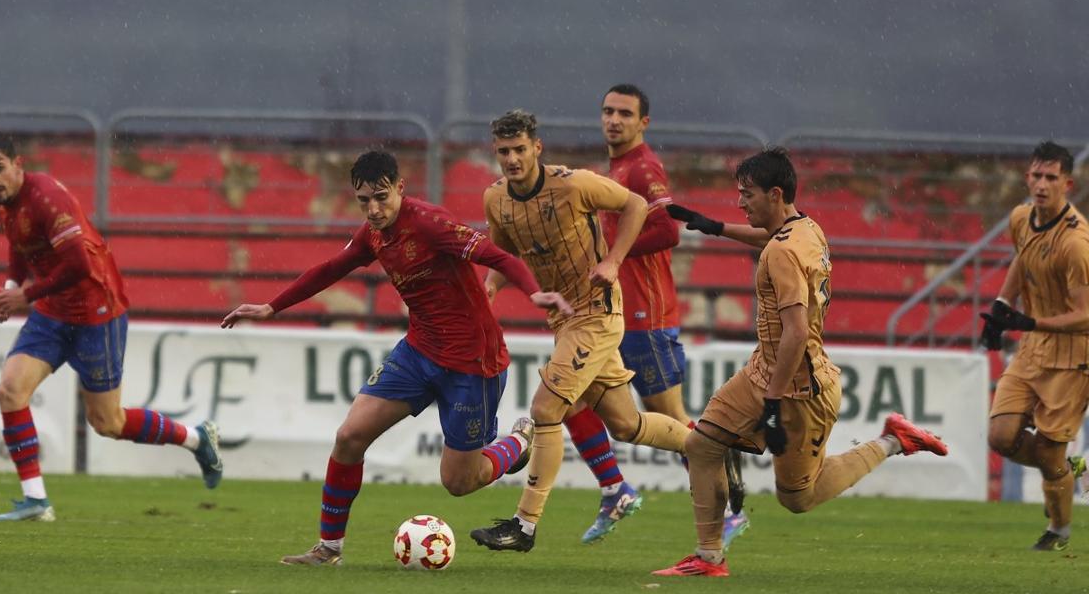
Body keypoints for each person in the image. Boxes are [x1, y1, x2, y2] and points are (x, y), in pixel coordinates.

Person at [221, 150, 573, 567]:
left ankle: (515, 444)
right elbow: (332, 268)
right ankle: (328, 548)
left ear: (400, 188)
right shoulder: (373, 233)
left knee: (459, 482)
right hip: (419, 351)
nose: (373, 209)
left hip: (471, 361)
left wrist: (533, 292)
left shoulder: (430, 223)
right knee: (349, 437)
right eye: (363, 200)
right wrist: (271, 307)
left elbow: (499, 257)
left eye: (381, 197)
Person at [653, 147, 947, 577]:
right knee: (701, 446)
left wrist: (772, 404)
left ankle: (893, 440)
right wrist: (716, 228)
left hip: (799, 387)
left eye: (747, 194)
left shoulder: (782, 254)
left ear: (774, 194)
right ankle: (709, 556)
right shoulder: (805, 228)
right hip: (764, 370)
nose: (740, 202)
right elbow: (771, 239)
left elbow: (795, 331)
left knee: (797, 498)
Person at [470, 109, 698, 553]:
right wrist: (492, 284)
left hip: (597, 313)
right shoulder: (495, 198)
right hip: (563, 319)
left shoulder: (574, 184)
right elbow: (504, 248)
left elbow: (636, 204)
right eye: (503, 152)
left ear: (537, 148)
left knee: (545, 408)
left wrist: (613, 260)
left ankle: (525, 525)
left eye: (520, 149)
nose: (512, 159)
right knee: (625, 423)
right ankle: (706, 445)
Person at [0, 133, 222, 522]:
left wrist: (27, 296)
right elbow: (18, 242)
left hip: (96, 311)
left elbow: (80, 267)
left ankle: (195, 438)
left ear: (19, 164)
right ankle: (37, 501)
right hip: (53, 313)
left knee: (108, 423)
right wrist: (9, 287)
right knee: (10, 390)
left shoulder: (46, 199)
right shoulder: (4, 199)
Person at [556, 84, 748, 546]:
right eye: (607, 111)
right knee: (566, 396)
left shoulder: (643, 168)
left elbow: (666, 231)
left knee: (671, 419)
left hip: (646, 314)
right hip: (614, 312)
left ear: (644, 122)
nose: (613, 120)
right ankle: (615, 488)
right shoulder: (618, 167)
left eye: (625, 113)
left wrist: (610, 256)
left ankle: (728, 506)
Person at [979, 140, 1089, 551]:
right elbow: (1022, 261)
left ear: (1068, 184)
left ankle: (1058, 531)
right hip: (1034, 349)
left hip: (1075, 356)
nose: (1042, 184)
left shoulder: (1076, 243)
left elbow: (1086, 314)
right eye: (1036, 176)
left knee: (1046, 451)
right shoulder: (1021, 218)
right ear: (1027, 177)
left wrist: (1030, 321)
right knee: (1001, 436)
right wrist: (1000, 308)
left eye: (1051, 178)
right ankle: (1065, 467)